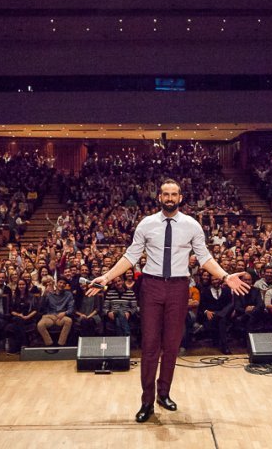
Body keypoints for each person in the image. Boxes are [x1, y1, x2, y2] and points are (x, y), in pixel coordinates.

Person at [87, 178, 249, 424]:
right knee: (150, 346)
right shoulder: (147, 224)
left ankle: (164, 393)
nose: (170, 198)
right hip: (151, 286)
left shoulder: (192, 225)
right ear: (159, 197)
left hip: (178, 287)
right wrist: (107, 277)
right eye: (166, 194)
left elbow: (204, 257)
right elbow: (130, 256)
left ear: (180, 197)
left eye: (174, 194)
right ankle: (146, 402)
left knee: (172, 346)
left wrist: (225, 276)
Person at [197, 276, 234, 354]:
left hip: (224, 315)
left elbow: (230, 304)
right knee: (221, 320)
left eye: (216, 279)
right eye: (213, 280)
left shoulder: (226, 291)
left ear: (220, 280)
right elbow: (201, 306)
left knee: (222, 319)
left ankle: (224, 345)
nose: (215, 281)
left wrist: (224, 313)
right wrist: (206, 311)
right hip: (210, 316)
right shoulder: (205, 291)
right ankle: (225, 346)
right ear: (210, 281)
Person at [37, 277, 75, 347]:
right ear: (56, 284)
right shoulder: (49, 294)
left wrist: (65, 313)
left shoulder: (68, 294)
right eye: (60, 282)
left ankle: (61, 344)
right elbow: (41, 307)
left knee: (69, 321)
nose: (62, 284)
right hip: (50, 317)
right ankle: (49, 344)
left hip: (61, 317)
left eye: (64, 283)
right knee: (40, 325)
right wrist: (44, 294)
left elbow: (71, 309)